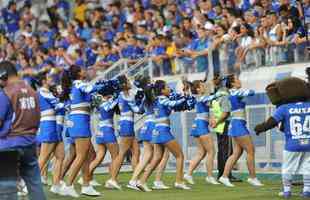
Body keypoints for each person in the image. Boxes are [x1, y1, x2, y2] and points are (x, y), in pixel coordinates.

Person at [255, 77, 310, 198]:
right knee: (308, 166)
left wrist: (259, 128)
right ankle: (306, 190)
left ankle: (287, 191)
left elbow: (271, 123)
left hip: (292, 144)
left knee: (287, 168)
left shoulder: (284, 108)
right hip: (308, 143)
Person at [0, 61, 46, 200]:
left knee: (7, 188)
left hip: (9, 143)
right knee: (35, 184)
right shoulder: (32, 91)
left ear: (3, 74)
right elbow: (38, 117)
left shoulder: (6, 92)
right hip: (30, 142)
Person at [137, 80, 190, 191]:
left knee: (157, 158)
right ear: (161, 90)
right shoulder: (163, 99)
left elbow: (168, 108)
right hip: (163, 131)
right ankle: (179, 181)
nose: (169, 89)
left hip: (157, 131)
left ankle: (142, 181)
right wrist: (185, 97)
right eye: (167, 87)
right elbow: (173, 104)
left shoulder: (155, 100)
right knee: (180, 156)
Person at [60, 65, 102, 197]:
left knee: (88, 154)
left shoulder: (73, 86)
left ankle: (86, 185)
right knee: (81, 155)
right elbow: (91, 88)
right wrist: (104, 85)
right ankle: (68, 184)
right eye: (83, 70)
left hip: (77, 120)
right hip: (80, 121)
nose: (85, 71)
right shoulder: (79, 84)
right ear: (78, 73)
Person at [218, 75, 263, 187]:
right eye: (237, 79)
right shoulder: (235, 92)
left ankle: (224, 176)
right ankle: (252, 178)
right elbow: (251, 92)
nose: (240, 81)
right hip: (238, 124)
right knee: (250, 151)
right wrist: (247, 91)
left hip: (236, 124)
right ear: (232, 83)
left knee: (237, 153)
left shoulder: (232, 93)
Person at [106, 75, 142, 190]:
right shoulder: (126, 97)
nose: (130, 82)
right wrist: (146, 101)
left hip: (126, 125)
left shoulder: (122, 95)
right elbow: (138, 110)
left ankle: (135, 180)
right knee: (121, 154)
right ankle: (112, 179)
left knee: (136, 152)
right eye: (128, 80)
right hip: (127, 125)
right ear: (124, 84)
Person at [184, 80, 221, 185]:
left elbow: (210, 107)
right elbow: (211, 99)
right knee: (211, 152)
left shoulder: (199, 97)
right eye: (202, 85)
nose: (205, 87)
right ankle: (209, 176)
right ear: (198, 89)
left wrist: (212, 117)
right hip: (201, 125)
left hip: (198, 124)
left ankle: (188, 173)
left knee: (201, 153)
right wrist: (221, 92)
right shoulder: (202, 97)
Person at [36, 72, 65, 195]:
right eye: (48, 77)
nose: (52, 78)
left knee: (60, 156)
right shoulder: (42, 92)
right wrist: (70, 102)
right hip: (48, 125)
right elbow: (58, 105)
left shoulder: (49, 92)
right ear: (43, 81)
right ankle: (26, 184)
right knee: (43, 158)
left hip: (53, 125)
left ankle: (56, 184)